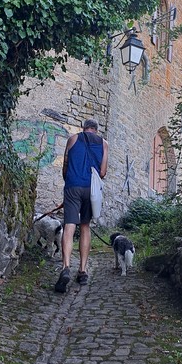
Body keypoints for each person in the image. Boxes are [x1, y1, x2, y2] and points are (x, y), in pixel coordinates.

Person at [54, 118, 108, 293]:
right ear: (96, 130)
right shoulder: (104, 143)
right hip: (90, 189)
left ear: (83, 128)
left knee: (69, 226)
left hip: (73, 186)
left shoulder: (73, 139)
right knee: (85, 226)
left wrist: (69, 185)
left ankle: (66, 267)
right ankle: (83, 271)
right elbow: (103, 172)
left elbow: (65, 167)